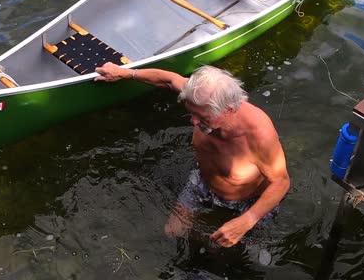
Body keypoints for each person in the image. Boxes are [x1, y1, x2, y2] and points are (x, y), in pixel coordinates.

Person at [94, 62, 290, 248]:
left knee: (222, 250)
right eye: (192, 113)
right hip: (204, 182)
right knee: (172, 232)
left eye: (203, 117)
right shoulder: (201, 95)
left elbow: (281, 182)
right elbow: (169, 79)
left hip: (247, 201)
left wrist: (248, 220)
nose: (194, 122)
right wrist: (127, 73)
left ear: (228, 110)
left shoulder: (258, 135)